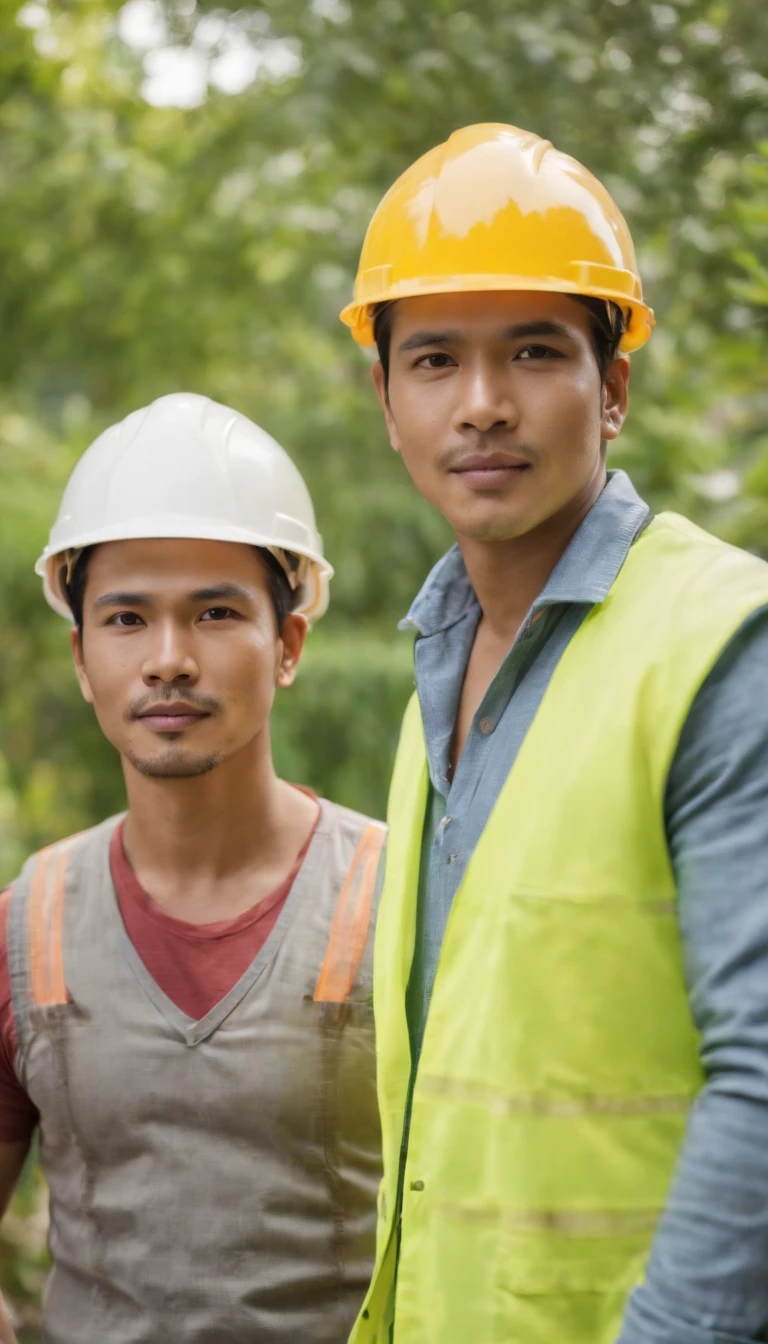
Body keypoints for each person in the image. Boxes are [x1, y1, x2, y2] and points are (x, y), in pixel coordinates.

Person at [340, 123, 768, 1344]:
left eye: (533, 351)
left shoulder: (723, 646)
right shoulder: (442, 664)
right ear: (385, 400)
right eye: (433, 361)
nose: (482, 406)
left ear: (613, 388)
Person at [0, 393, 385, 1344]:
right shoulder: (26, 922)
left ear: (288, 644)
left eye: (216, 613)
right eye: (126, 619)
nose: (169, 661)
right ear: (83, 656)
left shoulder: (405, 894)